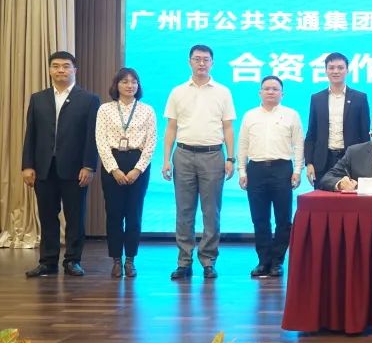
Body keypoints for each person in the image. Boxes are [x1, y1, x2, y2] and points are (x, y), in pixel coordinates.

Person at [22, 51, 100, 277]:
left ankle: (72, 261)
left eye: (66, 66)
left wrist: (89, 166)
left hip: (75, 169)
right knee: (47, 216)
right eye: (55, 66)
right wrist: (27, 165)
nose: (61, 70)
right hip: (43, 168)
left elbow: (92, 137)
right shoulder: (38, 98)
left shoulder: (89, 99)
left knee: (75, 217)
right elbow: (31, 134)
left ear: (75, 70)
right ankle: (47, 262)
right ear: (49, 70)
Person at [162, 44, 236, 280]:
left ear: (212, 63)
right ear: (189, 62)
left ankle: (208, 261)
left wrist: (231, 157)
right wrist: (166, 159)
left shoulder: (222, 92)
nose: (201, 63)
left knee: (211, 211)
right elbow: (171, 127)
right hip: (183, 154)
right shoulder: (178, 92)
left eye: (206, 59)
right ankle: (184, 261)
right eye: (197, 59)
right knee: (184, 211)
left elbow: (228, 127)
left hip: (213, 155)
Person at [237, 75, 304, 278]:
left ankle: (277, 261)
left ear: (282, 94)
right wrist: (242, 171)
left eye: (275, 89)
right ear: (260, 92)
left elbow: (298, 144)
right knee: (260, 218)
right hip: (256, 169)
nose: (271, 92)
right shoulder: (250, 116)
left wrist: (297, 170)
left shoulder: (291, 115)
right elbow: (243, 145)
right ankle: (263, 261)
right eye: (267, 88)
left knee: (283, 218)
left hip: (282, 169)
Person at [94, 67, 157, 278]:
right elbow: (101, 142)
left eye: (134, 82)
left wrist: (138, 169)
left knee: (134, 214)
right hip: (113, 163)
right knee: (114, 214)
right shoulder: (105, 109)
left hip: (138, 163)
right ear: (117, 85)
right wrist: (114, 169)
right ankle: (115, 260)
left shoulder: (147, 110)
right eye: (125, 82)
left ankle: (130, 260)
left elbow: (151, 143)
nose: (130, 85)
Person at [304, 52, 370, 188]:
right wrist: (309, 163)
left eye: (340, 68)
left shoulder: (360, 98)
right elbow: (311, 133)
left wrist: (365, 162)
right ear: (325, 70)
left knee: (350, 197)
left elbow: (364, 134)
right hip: (323, 160)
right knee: (322, 198)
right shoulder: (316, 98)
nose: (336, 71)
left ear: (347, 70)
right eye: (331, 68)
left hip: (351, 159)